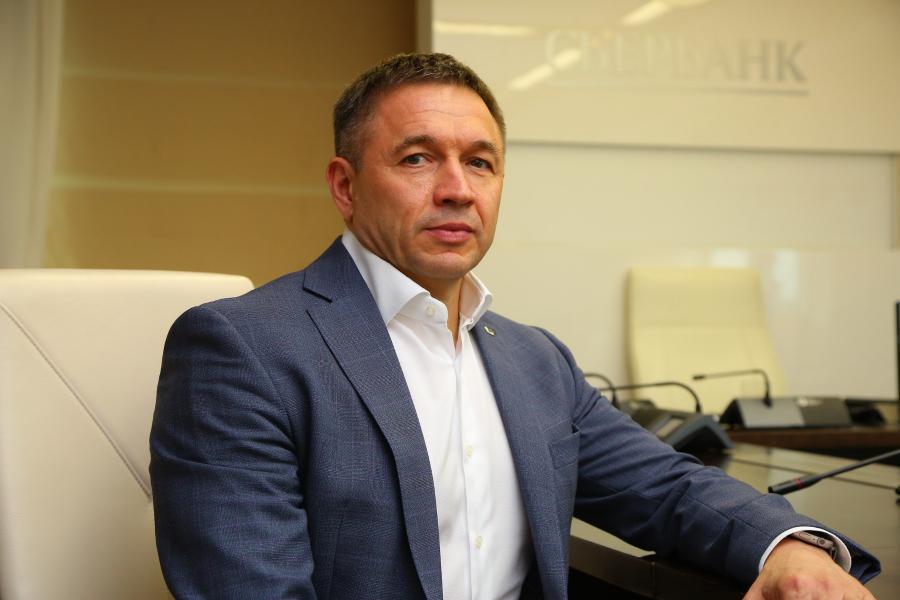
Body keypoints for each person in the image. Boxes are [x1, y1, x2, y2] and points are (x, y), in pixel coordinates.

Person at [150, 53, 880, 599]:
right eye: (417, 159)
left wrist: (789, 546)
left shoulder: (533, 358)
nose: (457, 190)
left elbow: (666, 489)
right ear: (345, 186)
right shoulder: (244, 347)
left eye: (480, 163)